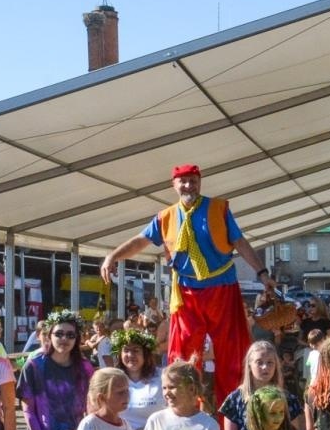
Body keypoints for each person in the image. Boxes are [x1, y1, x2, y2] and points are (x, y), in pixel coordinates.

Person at [99, 164, 278, 410]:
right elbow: (140, 240)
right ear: (174, 185)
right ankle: (185, 410)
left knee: (232, 354)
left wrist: (262, 273)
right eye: (183, 181)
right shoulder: (165, 217)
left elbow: (239, 241)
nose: (188, 186)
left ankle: (237, 410)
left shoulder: (219, 209)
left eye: (193, 181)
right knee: (182, 356)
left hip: (221, 288)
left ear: (200, 182)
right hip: (186, 291)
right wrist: (113, 256)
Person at [115, 328, 163, 430]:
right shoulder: (113, 378)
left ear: (145, 354)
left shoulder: (161, 376)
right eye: (126, 350)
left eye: (136, 350)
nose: (130, 355)